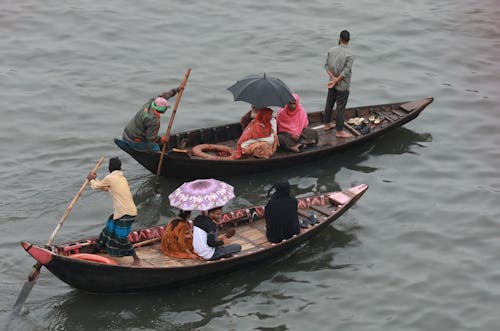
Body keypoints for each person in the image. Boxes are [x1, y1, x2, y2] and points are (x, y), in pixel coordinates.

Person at [87, 157, 142, 266]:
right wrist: (94, 180)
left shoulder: (111, 178)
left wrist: (91, 179)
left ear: (109, 168)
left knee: (121, 238)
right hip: (122, 212)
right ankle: (98, 249)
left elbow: (96, 186)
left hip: (126, 212)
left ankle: (136, 258)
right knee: (109, 229)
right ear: (120, 167)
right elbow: (107, 188)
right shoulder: (121, 178)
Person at [122, 86, 182, 152]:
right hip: (133, 140)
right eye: (165, 108)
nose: (166, 109)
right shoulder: (153, 120)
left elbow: (164, 96)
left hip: (126, 133)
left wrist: (176, 90)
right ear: (162, 109)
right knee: (155, 148)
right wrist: (161, 139)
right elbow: (150, 138)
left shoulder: (150, 103)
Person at [324, 29, 354, 138]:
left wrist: (333, 79)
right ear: (348, 40)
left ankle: (327, 124)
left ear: (339, 38)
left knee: (329, 103)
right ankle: (339, 131)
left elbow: (326, 66)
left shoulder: (331, 50)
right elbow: (345, 72)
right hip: (343, 85)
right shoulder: (350, 54)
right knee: (340, 108)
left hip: (331, 83)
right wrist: (336, 80)